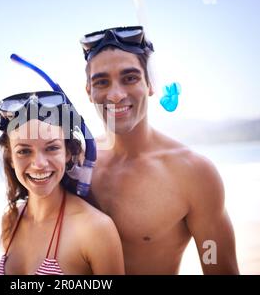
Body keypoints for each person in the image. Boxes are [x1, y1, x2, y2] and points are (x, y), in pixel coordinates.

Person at [79, 26, 239, 274]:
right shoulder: (74, 163)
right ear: (89, 91)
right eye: (102, 82)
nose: (116, 95)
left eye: (129, 78)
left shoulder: (193, 174)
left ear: (151, 83)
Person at [0, 91, 124, 275]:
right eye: (24, 151)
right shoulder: (11, 219)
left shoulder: (95, 230)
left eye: (52, 148)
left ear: (68, 153)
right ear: (10, 158)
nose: (39, 164)